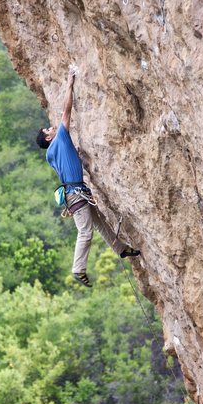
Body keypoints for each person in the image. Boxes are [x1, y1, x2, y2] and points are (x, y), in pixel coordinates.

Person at [36, 69, 140, 287]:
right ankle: (78, 268)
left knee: (100, 222)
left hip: (75, 193)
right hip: (76, 195)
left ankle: (121, 249)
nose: (52, 127)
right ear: (48, 137)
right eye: (49, 129)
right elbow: (67, 111)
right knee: (85, 231)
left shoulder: (51, 154)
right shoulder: (60, 140)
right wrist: (69, 85)